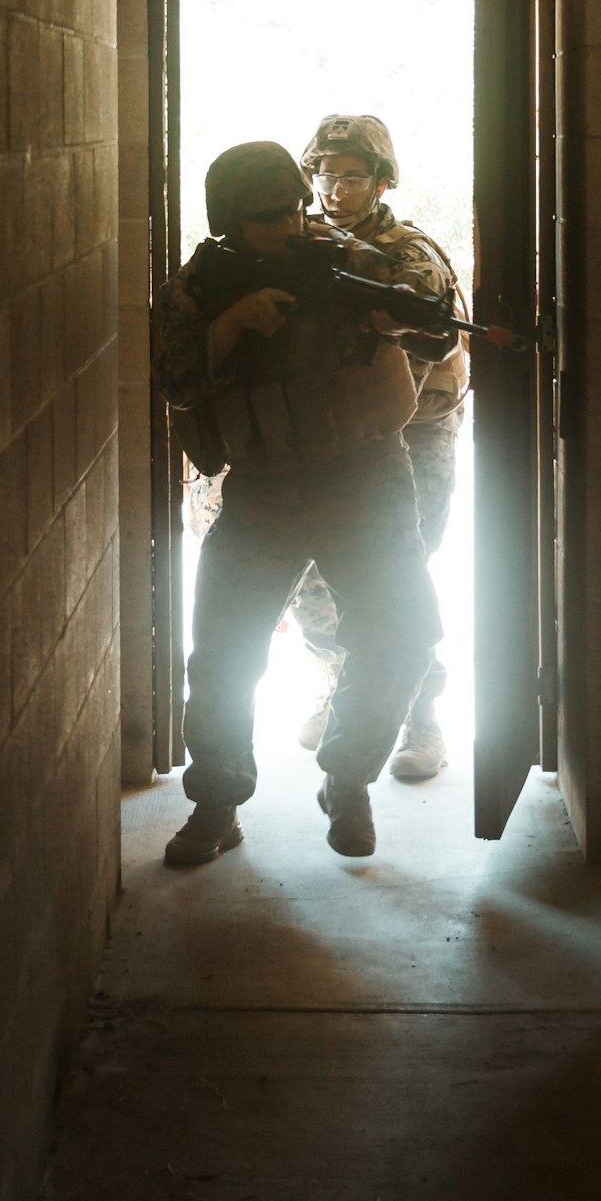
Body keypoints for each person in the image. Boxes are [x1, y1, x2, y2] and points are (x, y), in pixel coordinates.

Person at [153, 140, 455, 867]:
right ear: (229, 220)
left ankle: (347, 778)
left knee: (403, 636)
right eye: (268, 218)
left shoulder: (339, 253)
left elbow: (437, 320)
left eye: (294, 209)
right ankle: (217, 804)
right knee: (225, 654)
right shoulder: (200, 284)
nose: (290, 225)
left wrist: (391, 312)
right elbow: (172, 379)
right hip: (265, 486)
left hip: (366, 476)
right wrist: (230, 326)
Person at [290, 113, 466, 783]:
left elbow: (436, 344)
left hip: (408, 432)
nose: (334, 190)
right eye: (324, 175)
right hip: (321, 435)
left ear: (384, 181)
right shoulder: (294, 241)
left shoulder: (409, 255)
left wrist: (383, 321)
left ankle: (422, 717)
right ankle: (343, 689)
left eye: (351, 177)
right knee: (313, 578)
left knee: (398, 577)